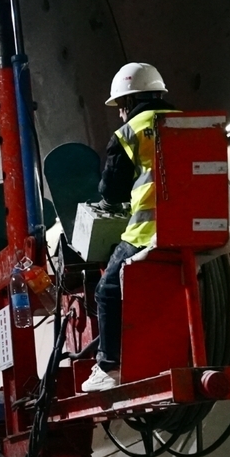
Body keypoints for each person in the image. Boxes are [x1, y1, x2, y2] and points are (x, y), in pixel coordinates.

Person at [81, 61, 180, 393]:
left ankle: (109, 366)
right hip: (197, 228)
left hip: (148, 232)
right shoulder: (187, 121)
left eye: (120, 107)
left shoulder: (129, 132)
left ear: (126, 103)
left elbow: (112, 191)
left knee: (107, 290)